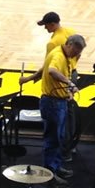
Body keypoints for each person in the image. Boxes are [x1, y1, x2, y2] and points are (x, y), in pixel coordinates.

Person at [30, 33, 84, 180]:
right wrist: (70, 83)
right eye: (75, 52)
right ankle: (49, 173)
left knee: (59, 138)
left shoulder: (65, 56)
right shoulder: (58, 56)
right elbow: (52, 71)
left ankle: (56, 166)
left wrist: (68, 90)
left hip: (59, 102)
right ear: (69, 45)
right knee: (53, 139)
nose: (75, 56)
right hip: (52, 103)